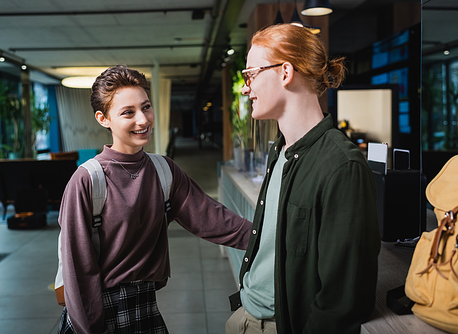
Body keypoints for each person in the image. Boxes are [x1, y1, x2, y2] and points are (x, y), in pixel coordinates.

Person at [57, 65, 252, 334]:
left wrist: (270, 238)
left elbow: (214, 220)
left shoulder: (163, 170)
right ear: (103, 119)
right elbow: (78, 269)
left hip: (146, 305)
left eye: (146, 107)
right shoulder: (87, 180)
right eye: (128, 112)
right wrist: (90, 329)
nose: (143, 120)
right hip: (100, 313)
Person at [225, 24, 381, 334]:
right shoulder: (280, 150)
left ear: (285, 72)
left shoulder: (342, 165)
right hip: (245, 315)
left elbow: (343, 301)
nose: (245, 88)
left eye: (251, 75)